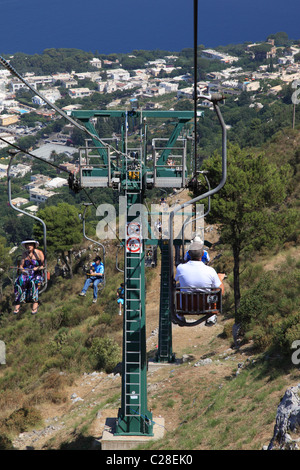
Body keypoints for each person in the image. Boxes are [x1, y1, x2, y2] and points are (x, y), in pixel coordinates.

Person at [175, 242, 224, 323]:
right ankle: (212, 315)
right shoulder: (210, 270)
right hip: (206, 306)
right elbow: (221, 292)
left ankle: (179, 315)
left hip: (186, 306)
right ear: (202, 255)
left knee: (178, 286)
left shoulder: (181, 268)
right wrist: (220, 279)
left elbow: (175, 279)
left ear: (189, 254)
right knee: (217, 286)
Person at [14, 240, 45, 315]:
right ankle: (19, 301)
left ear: (34, 245)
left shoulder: (39, 253)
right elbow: (21, 265)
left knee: (33, 282)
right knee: (20, 281)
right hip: (27, 272)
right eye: (27, 245)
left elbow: (43, 265)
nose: (29, 246)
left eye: (30, 245)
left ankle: (35, 302)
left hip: (37, 273)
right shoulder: (24, 254)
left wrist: (37, 268)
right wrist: (23, 270)